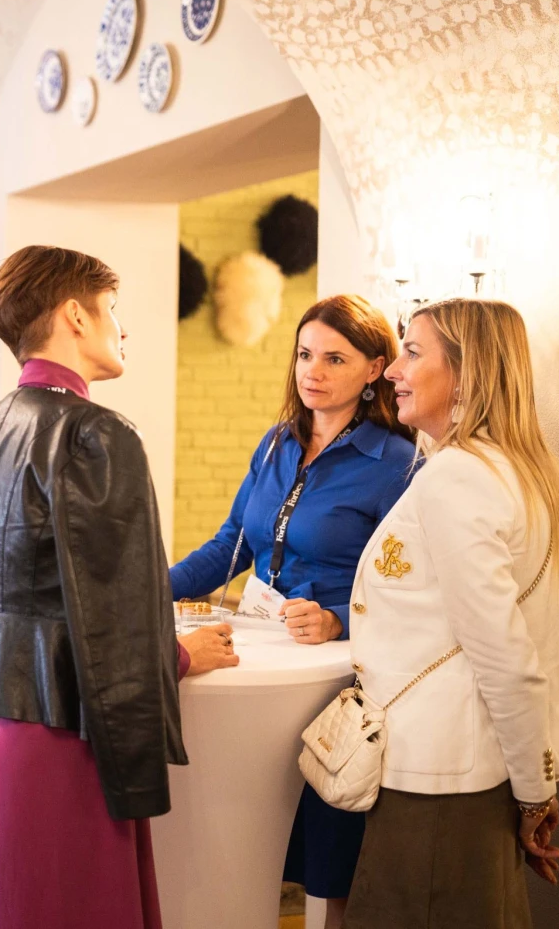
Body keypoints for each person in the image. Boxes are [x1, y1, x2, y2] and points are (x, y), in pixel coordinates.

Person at [0, 245, 238, 929]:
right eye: (112, 309)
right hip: (58, 732)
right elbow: (116, 611)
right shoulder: (96, 435)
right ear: (75, 315)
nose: (123, 328)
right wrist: (181, 656)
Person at [169, 294, 416, 928]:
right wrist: (148, 588)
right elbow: (231, 545)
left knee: (330, 855)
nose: (313, 371)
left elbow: (414, 587)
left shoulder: (398, 463)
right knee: (237, 828)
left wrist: (337, 617)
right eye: (306, 354)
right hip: (261, 649)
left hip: (336, 676)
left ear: (375, 369)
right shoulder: (278, 442)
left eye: (335, 358)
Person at [343, 299, 559, 928]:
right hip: (478, 771)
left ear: (467, 373)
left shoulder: (457, 477)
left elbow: (509, 655)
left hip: (440, 779)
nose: (391, 371)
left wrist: (534, 789)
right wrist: (536, 782)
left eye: (412, 353)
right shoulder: (524, 473)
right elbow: (557, 645)